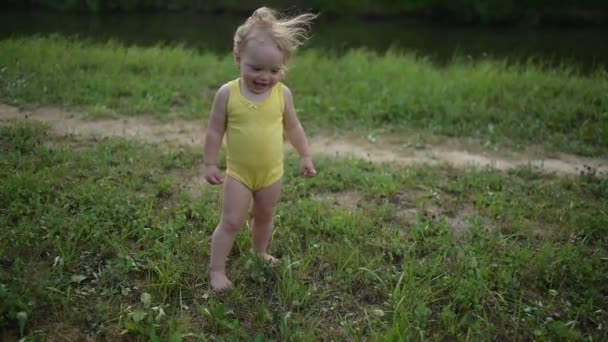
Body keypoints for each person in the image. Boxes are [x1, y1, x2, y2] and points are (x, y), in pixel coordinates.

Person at [203, 7, 318, 291]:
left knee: (265, 216)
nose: (264, 76)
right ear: (238, 58)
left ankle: (259, 252)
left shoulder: (282, 94)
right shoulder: (228, 94)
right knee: (230, 221)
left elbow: (293, 128)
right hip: (239, 174)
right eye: (256, 68)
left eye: (274, 70)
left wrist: (304, 154)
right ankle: (217, 270)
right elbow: (215, 130)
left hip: (271, 174)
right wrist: (209, 163)